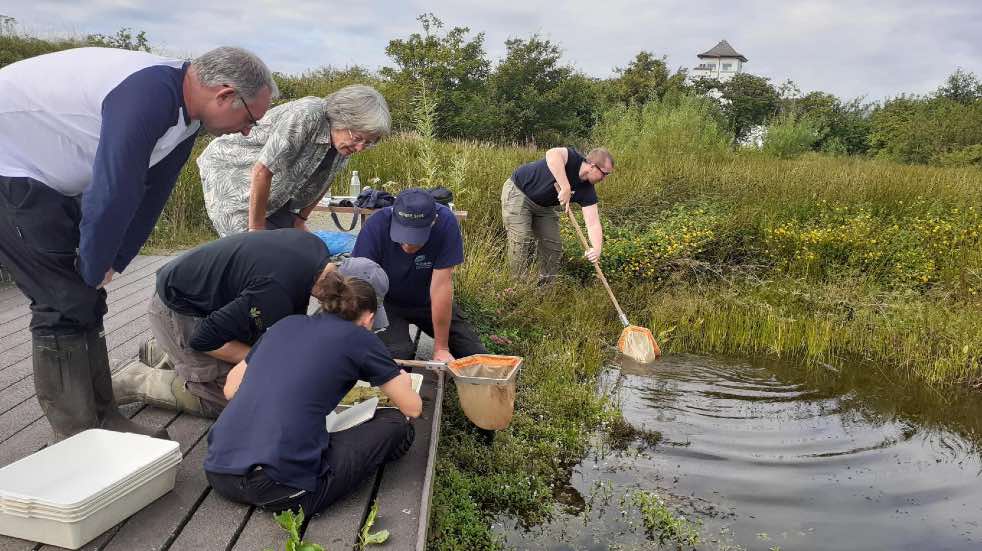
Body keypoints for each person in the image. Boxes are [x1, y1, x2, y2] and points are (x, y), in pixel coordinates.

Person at [0, 46, 276, 440]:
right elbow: (114, 188)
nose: (249, 130)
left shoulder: (187, 117)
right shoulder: (147, 95)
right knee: (62, 301)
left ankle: (104, 417)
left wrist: (117, 258)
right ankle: (80, 436)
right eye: (250, 118)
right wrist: (93, 266)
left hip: (49, 177)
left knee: (85, 297)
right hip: (10, 166)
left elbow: (152, 191)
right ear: (225, 94)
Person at [205, 271, 421, 517]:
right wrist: (400, 379)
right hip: (281, 489)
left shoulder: (286, 324)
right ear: (369, 318)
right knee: (396, 424)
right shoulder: (361, 338)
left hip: (219, 473)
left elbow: (230, 389)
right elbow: (412, 408)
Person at [112, 229, 389, 418]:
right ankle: (137, 381)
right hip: (179, 310)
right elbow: (204, 339)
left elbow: (288, 326)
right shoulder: (276, 292)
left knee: (259, 364)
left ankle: (166, 353)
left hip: (213, 303)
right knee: (231, 399)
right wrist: (270, 358)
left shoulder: (315, 253)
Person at [198, 84, 391, 237]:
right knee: (253, 256)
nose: (359, 148)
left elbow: (327, 178)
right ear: (342, 118)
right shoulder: (307, 115)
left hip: (275, 192)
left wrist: (300, 219)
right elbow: (262, 170)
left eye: (368, 143)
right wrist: (256, 231)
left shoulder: (343, 143)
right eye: (358, 139)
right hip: (233, 171)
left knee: (293, 251)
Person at [352, 188, 486, 363]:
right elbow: (359, 284)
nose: (408, 245)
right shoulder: (377, 225)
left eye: (416, 237)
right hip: (386, 302)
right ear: (394, 217)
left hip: (427, 300)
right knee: (398, 354)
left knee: (474, 353)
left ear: (433, 222)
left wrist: (441, 348)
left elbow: (441, 287)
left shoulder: (445, 222)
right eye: (403, 235)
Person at [502, 147, 614, 282]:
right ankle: (516, 287)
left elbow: (593, 223)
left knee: (553, 246)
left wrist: (596, 249)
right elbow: (552, 154)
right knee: (522, 238)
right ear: (592, 166)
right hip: (519, 192)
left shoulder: (587, 190)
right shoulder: (572, 158)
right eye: (604, 174)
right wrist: (565, 187)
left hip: (543, 207)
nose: (604, 179)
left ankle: (544, 289)